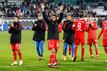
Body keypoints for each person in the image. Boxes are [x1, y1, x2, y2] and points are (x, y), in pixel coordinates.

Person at [41, 3, 64, 68]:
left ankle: (50, 63)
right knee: (53, 50)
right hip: (50, 38)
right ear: (51, 17)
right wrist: (43, 9)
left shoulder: (57, 22)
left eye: (54, 17)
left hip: (56, 39)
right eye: (52, 17)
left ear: (56, 18)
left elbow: (61, 17)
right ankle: (54, 64)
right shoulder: (49, 22)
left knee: (55, 51)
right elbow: (45, 17)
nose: (53, 18)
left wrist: (61, 11)